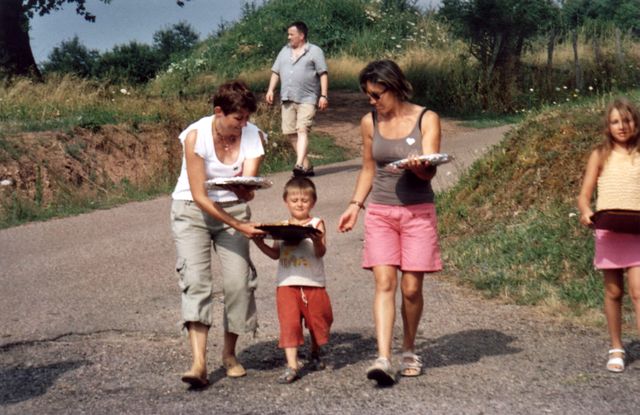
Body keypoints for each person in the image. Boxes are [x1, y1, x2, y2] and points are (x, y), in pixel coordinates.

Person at [337, 59, 443, 386]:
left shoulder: (427, 118)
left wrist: (418, 166)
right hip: (381, 212)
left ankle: (408, 349)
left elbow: (430, 170)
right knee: (384, 283)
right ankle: (383, 358)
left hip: (417, 212)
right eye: (368, 95)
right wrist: (355, 205)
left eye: (377, 95)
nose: (372, 101)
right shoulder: (369, 122)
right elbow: (368, 168)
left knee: (411, 289)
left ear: (394, 87)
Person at [170, 80, 267, 388]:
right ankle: (198, 363)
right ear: (219, 112)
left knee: (239, 282)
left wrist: (244, 190)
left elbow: (248, 188)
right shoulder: (196, 136)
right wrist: (239, 226)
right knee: (196, 280)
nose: (244, 124)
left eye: (247, 118)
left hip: (233, 209)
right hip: (192, 209)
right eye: (238, 118)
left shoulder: (253, 135)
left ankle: (229, 354)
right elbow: (200, 196)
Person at [577, 97, 640, 373]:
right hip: (609, 231)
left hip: (637, 231)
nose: (621, 126)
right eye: (615, 122)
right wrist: (586, 212)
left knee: (638, 291)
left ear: (636, 123)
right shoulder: (600, 154)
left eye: (626, 120)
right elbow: (584, 195)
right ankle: (616, 347)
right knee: (614, 291)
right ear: (608, 126)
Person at [253, 177, 333, 384]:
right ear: (286, 201)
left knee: (318, 320)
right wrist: (259, 243)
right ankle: (292, 365)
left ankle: (315, 351)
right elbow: (275, 254)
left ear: (313, 202)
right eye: (294, 200)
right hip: (286, 283)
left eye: (304, 200)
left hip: (313, 282)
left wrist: (317, 241)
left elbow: (320, 252)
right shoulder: (281, 227)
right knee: (289, 323)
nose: (299, 204)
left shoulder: (317, 224)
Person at [265, 20, 329, 177]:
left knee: (302, 129)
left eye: (291, 34)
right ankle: (307, 165)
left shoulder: (315, 51)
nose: (288, 37)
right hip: (287, 97)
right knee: (290, 133)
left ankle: (298, 164)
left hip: (307, 98)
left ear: (301, 35)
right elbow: (275, 72)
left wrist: (323, 95)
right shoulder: (284, 51)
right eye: (288, 34)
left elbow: (323, 74)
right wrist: (270, 90)